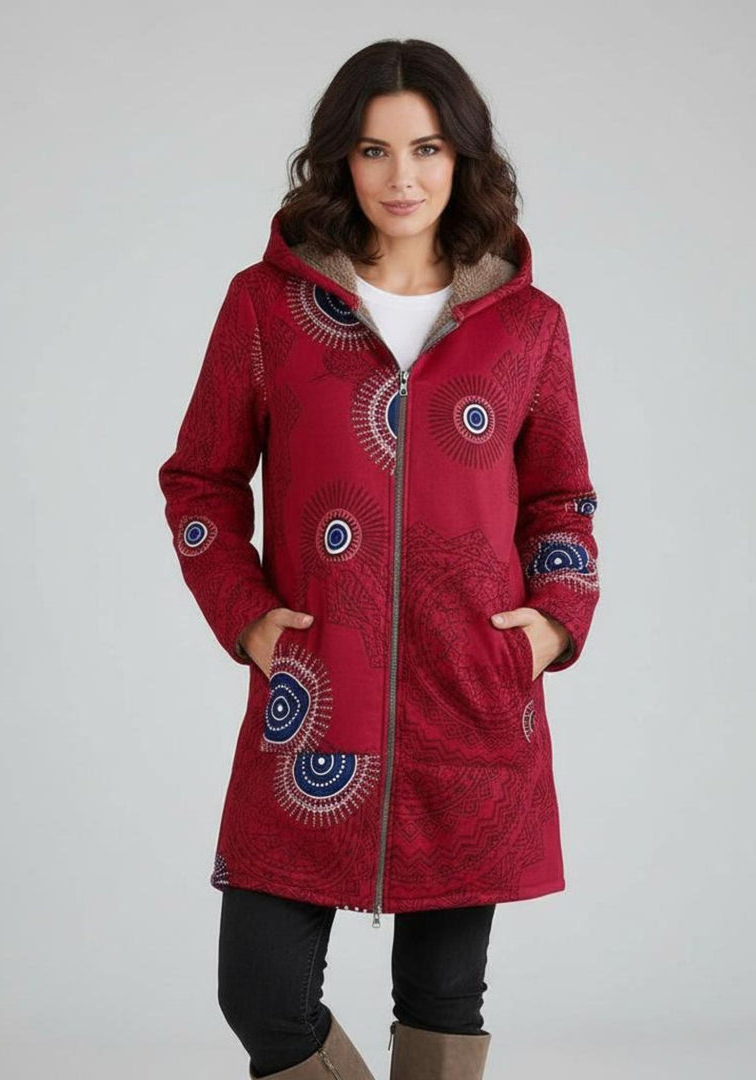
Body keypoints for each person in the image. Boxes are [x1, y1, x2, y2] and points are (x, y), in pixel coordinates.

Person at [158, 38, 601, 1080]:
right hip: (316, 704)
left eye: (428, 148)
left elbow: (562, 500)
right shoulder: (267, 307)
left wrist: (551, 622)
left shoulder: (527, 325)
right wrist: (247, 616)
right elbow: (200, 483)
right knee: (262, 996)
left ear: (464, 159)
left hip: (470, 702)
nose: (402, 177)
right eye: (374, 150)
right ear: (341, 161)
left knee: (442, 1004)